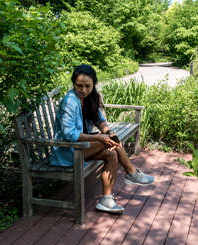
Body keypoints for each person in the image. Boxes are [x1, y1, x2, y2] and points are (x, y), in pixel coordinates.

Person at [50, 64, 154, 214]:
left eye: (87, 86)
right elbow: (69, 134)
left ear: (93, 84)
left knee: (111, 152)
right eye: (79, 86)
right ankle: (131, 172)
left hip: (82, 147)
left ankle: (106, 200)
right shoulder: (70, 101)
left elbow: (99, 120)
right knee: (109, 142)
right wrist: (100, 137)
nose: (84, 90)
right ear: (74, 84)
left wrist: (107, 131)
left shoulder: (90, 98)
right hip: (67, 150)